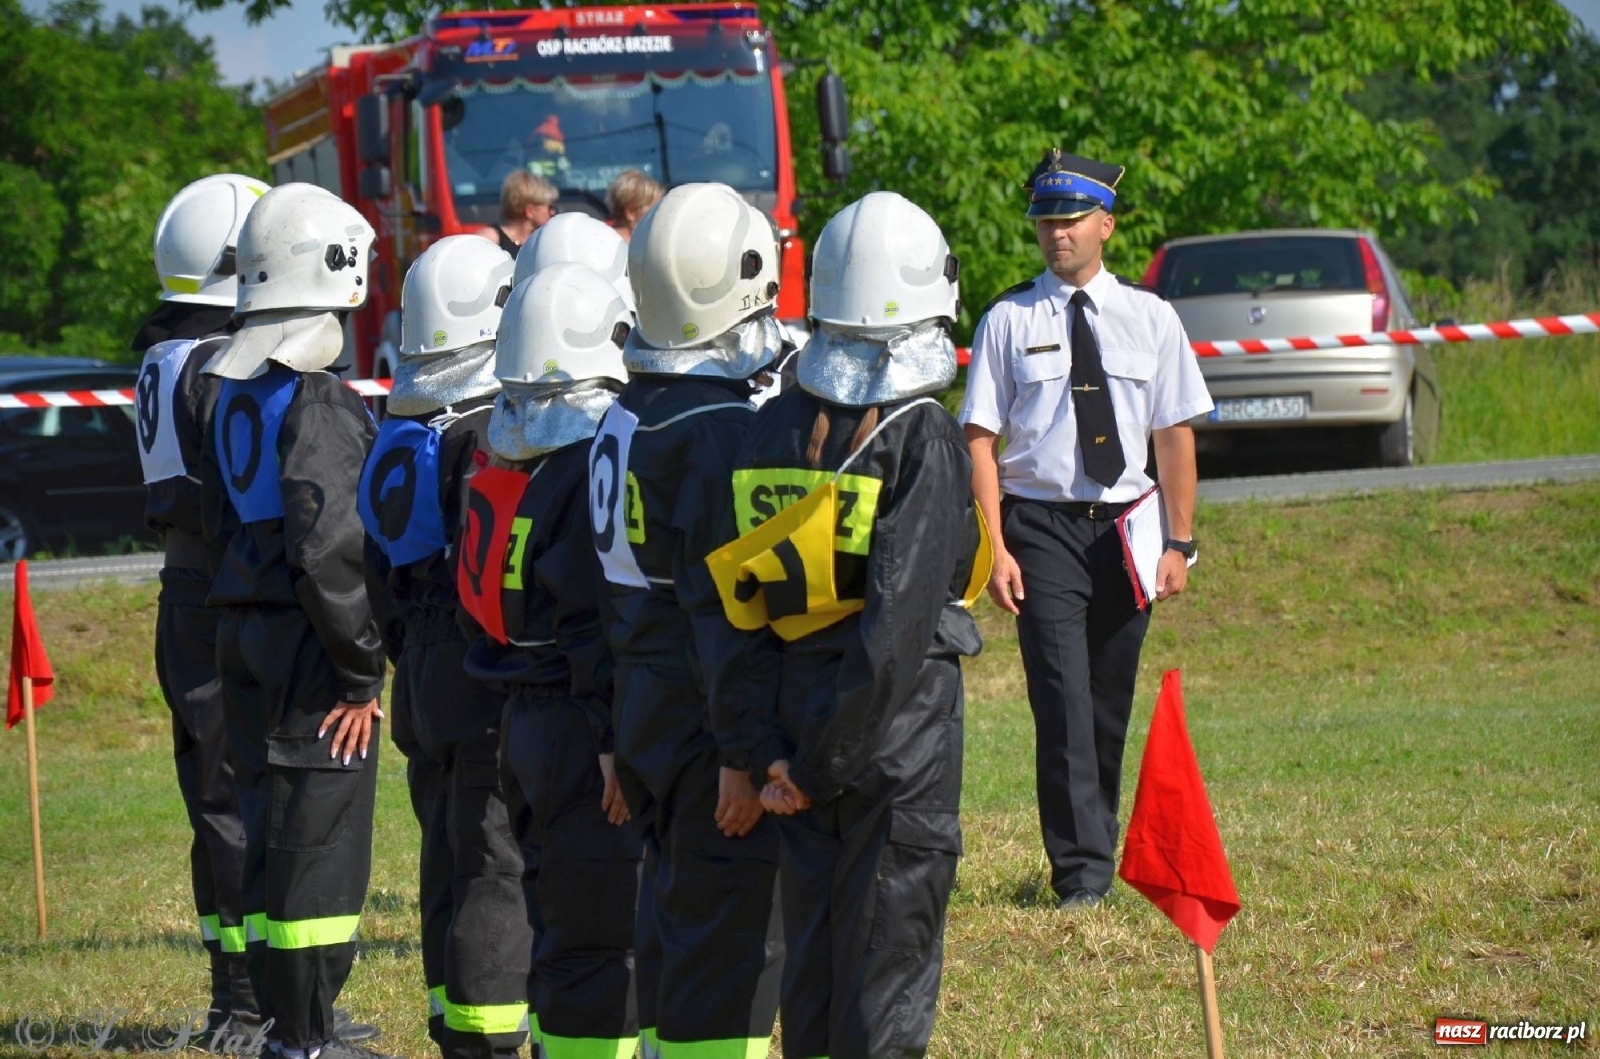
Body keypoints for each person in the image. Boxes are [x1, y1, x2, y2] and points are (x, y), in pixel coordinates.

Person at [706, 191, 986, 1059]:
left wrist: (764, 755)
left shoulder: (770, 426)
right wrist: (822, 765)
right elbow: (897, 634)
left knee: (816, 972)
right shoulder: (921, 432)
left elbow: (735, 609)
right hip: (887, 749)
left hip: (792, 730)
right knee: (888, 972)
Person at [958, 149, 1213, 909]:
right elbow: (980, 438)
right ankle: (1080, 876)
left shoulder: (1151, 316)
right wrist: (995, 545)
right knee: (1061, 695)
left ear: (1106, 224)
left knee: (1106, 698)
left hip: (1129, 529)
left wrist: (1179, 539)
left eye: (1070, 220)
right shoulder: (1008, 318)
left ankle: (1093, 848)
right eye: (1045, 221)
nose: (1055, 234)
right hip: (1039, 525)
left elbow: (1173, 434)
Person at [588, 181, 785, 1059]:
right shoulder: (712, 429)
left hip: (643, 698)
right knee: (725, 940)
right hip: (703, 715)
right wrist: (743, 757)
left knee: (670, 917)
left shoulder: (623, 409)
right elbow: (723, 615)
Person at [201, 182, 390, 1059]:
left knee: (270, 838)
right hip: (304, 645)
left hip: (242, 627)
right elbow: (327, 549)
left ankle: (288, 1029)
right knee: (317, 846)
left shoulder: (231, 383)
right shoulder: (319, 399)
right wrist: (361, 671)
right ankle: (308, 1039)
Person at [459, 261, 641, 1059]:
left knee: (554, 916)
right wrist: (611, 739)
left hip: (523, 716)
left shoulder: (507, 463)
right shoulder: (584, 469)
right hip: (574, 726)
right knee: (597, 935)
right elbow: (591, 623)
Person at [357, 235, 531, 1059]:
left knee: (447, 853)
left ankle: (453, 1018)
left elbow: (373, 567)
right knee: (493, 861)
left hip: (421, 667)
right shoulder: (483, 434)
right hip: (474, 668)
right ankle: (491, 1037)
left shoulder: (401, 425)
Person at [133, 172, 267, 1042]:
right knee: (236, 802)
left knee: (212, 800)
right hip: (221, 589)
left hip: (182, 591)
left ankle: (236, 993)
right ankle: (251, 1001)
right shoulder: (218, 362)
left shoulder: (162, 348)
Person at [476, 171, 558, 254]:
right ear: (530, 211)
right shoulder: (490, 238)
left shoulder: (543, 241)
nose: (553, 212)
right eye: (550, 207)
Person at [604, 168, 663, 242]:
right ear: (630, 213)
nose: (659, 213)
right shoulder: (617, 248)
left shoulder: (602, 238)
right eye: (653, 208)